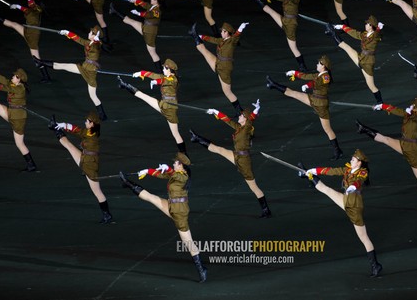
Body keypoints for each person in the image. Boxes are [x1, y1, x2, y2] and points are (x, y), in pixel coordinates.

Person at [119, 153, 208, 282]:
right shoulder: (175, 174)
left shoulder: (183, 176)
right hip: (173, 206)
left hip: (179, 212)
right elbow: (163, 174)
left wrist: (168, 169)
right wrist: (147, 171)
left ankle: (201, 269)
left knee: (188, 242)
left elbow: (175, 175)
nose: (173, 164)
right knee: (152, 198)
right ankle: (128, 183)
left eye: (175, 163)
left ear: (181, 166)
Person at [300, 149, 383, 277]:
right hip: (346, 201)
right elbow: (331, 171)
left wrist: (353, 186)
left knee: (364, 237)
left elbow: (359, 180)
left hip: (354, 206)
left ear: (359, 163)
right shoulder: (347, 170)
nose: (351, 160)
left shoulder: (362, 172)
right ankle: (308, 175)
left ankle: (375, 266)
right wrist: (314, 170)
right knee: (326, 189)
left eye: (353, 160)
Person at [189, 100, 272, 218]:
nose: (239, 116)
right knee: (220, 150)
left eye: (241, 115)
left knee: (253, 187)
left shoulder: (247, 127)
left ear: (246, 119)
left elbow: (251, 119)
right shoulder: (239, 127)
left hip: (244, 160)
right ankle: (197, 138)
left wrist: (255, 111)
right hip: (237, 155)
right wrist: (215, 112)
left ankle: (266, 210)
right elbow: (228, 120)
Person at [355, 97, 417, 211]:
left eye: (413, 105)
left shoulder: (416, 116)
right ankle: (364, 129)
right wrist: (383, 107)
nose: (411, 106)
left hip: (411, 148)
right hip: (406, 144)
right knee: (387, 140)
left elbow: (400, 112)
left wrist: (383, 106)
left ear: (416, 108)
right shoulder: (413, 113)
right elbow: (401, 112)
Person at [266, 55, 344, 160]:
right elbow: (312, 78)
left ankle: (337, 151)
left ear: (323, 66)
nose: (317, 64)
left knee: (327, 129)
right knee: (294, 93)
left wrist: (302, 79)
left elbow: (314, 79)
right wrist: (301, 79)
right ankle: (274, 85)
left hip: (320, 104)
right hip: (314, 99)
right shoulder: (320, 75)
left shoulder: (326, 77)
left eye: (319, 63)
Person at [48, 112, 113, 223]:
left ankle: (107, 215)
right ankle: (56, 130)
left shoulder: (90, 135)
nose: (85, 122)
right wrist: (62, 125)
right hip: (85, 158)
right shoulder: (91, 132)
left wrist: (64, 125)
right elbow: (79, 131)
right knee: (69, 146)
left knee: (97, 192)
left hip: (89, 165)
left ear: (92, 124)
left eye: (87, 121)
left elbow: (78, 131)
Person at [33, 26, 108, 121]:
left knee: (93, 96)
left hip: (91, 72)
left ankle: (103, 115)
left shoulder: (97, 44)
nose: (88, 34)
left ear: (94, 35)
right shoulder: (89, 42)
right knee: (64, 66)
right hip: (83, 67)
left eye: (90, 33)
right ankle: (40, 62)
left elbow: (97, 47)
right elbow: (78, 39)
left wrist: (97, 40)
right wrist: (67, 32)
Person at [116, 59, 188, 154]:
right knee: (144, 97)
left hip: (170, 110)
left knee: (176, 134)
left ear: (169, 70)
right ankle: (125, 85)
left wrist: (156, 82)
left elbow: (164, 81)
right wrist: (140, 73)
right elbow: (152, 75)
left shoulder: (173, 79)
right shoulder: (166, 76)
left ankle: (184, 155)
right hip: (163, 105)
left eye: (164, 68)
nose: (162, 69)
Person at [0, 0, 51, 83]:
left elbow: (30, 6)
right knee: (14, 25)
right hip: (29, 31)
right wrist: (17, 6)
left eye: (31, 0)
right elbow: (27, 9)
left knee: (36, 58)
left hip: (33, 35)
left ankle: (46, 76)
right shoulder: (32, 9)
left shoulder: (37, 9)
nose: (30, 1)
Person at [188, 21, 248, 114]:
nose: (221, 33)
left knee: (228, 92)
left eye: (223, 31)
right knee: (202, 49)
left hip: (225, 69)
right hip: (218, 63)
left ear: (227, 32)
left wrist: (241, 28)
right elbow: (213, 39)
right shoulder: (222, 40)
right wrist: (200, 36)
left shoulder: (231, 41)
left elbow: (236, 36)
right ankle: (194, 35)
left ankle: (240, 112)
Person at [324, 16, 384, 104]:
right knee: (347, 48)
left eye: (367, 24)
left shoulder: (375, 35)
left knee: (371, 86)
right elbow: (355, 33)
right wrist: (342, 27)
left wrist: (378, 28)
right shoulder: (364, 34)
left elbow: (378, 35)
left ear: (371, 26)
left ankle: (380, 102)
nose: (365, 25)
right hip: (361, 57)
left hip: (368, 62)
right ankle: (332, 33)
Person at [250, 0, 308, 71]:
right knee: (270, 11)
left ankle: (302, 66)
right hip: (284, 20)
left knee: (293, 48)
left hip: (290, 25)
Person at [109, 0, 164, 72]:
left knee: (153, 53)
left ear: (157, 0)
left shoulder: (157, 11)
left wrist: (138, 13)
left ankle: (161, 72)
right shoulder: (153, 6)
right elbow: (145, 5)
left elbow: (149, 14)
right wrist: (136, 1)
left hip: (149, 33)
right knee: (131, 22)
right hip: (146, 28)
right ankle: (114, 11)